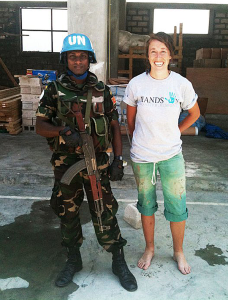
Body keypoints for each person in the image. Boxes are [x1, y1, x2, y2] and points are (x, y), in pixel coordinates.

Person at [36, 33, 137, 292]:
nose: (78, 61)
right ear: (65, 59)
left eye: (82, 56)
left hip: (98, 163)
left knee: (104, 210)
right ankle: (73, 259)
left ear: (89, 59)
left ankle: (117, 259)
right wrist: (62, 132)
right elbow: (39, 125)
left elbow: (115, 126)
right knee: (67, 212)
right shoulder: (54, 90)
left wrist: (119, 160)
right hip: (66, 163)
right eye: (72, 56)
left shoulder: (102, 91)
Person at [123, 32, 200, 275]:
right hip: (143, 157)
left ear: (170, 55)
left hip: (171, 155)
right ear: (147, 55)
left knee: (177, 206)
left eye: (163, 51)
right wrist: (142, 141)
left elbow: (194, 114)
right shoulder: (136, 84)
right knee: (146, 205)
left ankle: (178, 251)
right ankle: (150, 248)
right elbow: (130, 121)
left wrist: (175, 131)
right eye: (153, 51)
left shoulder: (181, 84)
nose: (158, 56)